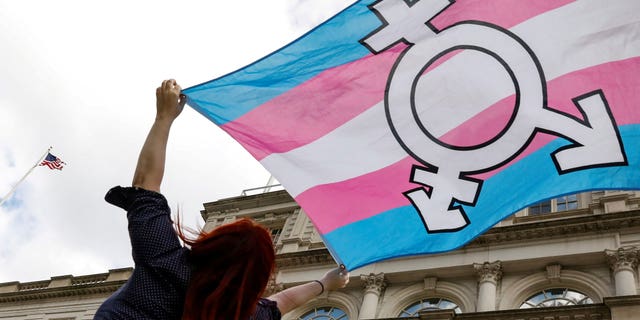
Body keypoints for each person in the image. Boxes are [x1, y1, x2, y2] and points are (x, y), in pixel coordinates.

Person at [94, 79, 350, 320]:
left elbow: (146, 184)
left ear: (212, 243)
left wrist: (164, 118)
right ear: (258, 275)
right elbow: (282, 302)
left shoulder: (166, 260)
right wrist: (325, 284)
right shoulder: (244, 313)